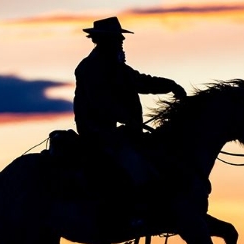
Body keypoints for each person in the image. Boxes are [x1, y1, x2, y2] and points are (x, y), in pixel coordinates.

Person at [73, 16, 186, 226]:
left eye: (120, 38)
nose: (122, 42)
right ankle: (126, 215)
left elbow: (140, 81)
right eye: (118, 38)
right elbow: (100, 101)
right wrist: (126, 119)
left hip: (114, 129)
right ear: (104, 40)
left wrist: (170, 85)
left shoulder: (114, 66)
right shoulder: (92, 67)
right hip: (96, 131)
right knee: (131, 162)